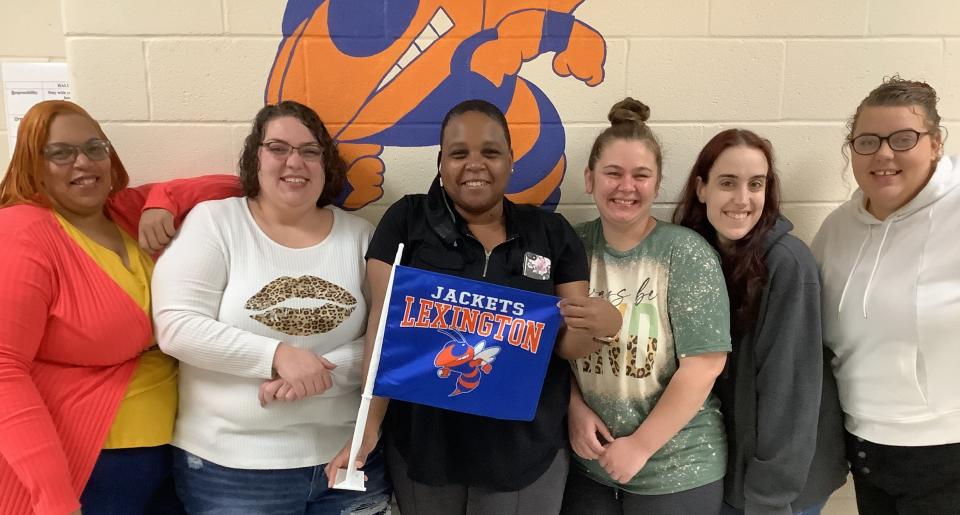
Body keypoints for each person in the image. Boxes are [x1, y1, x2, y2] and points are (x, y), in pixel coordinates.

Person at [325, 98, 621, 515]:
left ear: (511, 161)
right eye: (460, 153)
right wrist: (368, 427)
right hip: (426, 445)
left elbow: (567, 343)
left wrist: (602, 324)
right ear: (441, 162)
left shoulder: (550, 232)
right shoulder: (405, 222)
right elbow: (382, 332)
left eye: (491, 152)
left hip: (524, 448)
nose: (475, 164)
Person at [0, 100, 241, 515]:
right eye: (61, 152)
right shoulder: (24, 232)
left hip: (175, 448)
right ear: (32, 164)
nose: (83, 162)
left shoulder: (123, 212)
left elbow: (237, 185)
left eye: (96, 148)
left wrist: (162, 199)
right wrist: (53, 497)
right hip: (92, 458)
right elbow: (3, 369)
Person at [150, 100, 391, 514]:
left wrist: (318, 373)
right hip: (230, 470)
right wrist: (276, 356)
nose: (294, 161)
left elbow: (387, 336)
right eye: (278, 148)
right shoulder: (216, 223)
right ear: (255, 159)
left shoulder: (361, 235)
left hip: (346, 462)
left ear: (325, 163)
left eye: (310, 150)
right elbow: (177, 325)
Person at [562, 98, 731, 515]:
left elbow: (705, 364)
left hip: (679, 469)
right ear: (589, 178)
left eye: (641, 175)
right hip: (590, 468)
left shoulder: (686, 253)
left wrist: (640, 446)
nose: (626, 186)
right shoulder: (569, 246)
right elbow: (545, 345)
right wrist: (573, 409)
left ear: (657, 185)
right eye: (613, 173)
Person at [673, 128, 847, 515]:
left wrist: (769, 496)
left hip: (779, 484)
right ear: (701, 189)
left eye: (756, 184)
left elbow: (790, 391)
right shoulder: (693, 254)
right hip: (727, 470)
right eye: (727, 183)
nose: (742, 199)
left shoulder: (787, 263)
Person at [811, 76, 959, 514]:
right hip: (865, 449)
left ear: (935, 143)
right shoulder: (838, 228)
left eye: (903, 139)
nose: (884, 154)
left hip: (947, 453)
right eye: (868, 141)